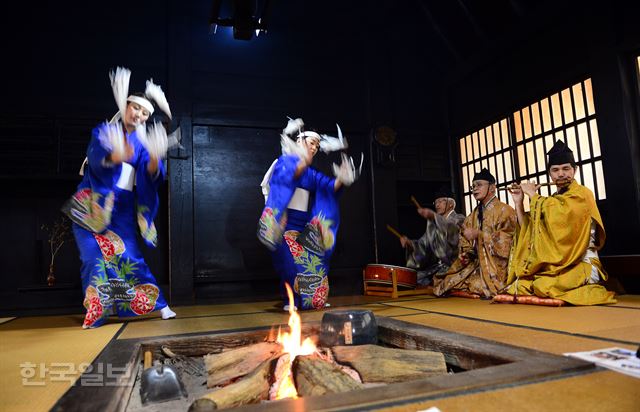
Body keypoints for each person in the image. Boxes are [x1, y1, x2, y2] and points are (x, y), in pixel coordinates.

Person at [63, 67, 176, 328]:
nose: (140, 115)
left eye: (146, 113)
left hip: (122, 209)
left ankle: (159, 305)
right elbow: (95, 159)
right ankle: (96, 312)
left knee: (129, 258)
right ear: (126, 106)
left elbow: (152, 175)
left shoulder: (143, 143)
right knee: (92, 258)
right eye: (136, 108)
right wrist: (115, 156)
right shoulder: (105, 131)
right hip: (93, 205)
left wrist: (154, 162)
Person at [258, 118, 359, 311]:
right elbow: (287, 179)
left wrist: (342, 179)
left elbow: (328, 187)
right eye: (312, 143)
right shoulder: (284, 162)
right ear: (299, 141)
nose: (315, 148)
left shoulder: (310, 172)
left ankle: (311, 300)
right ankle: (291, 301)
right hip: (283, 226)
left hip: (302, 226)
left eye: (317, 145)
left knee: (315, 262)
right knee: (289, 265)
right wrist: (302, 163)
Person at [503, 140, 616, 305]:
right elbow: (531, 229)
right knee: (520, 285)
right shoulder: (554, 201)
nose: (561, 174)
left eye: (566, 168)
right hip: (560, 264)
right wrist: (519, 202)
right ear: (550, 174)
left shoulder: (582, 194)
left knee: (544, 286)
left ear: (575, 170)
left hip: (582, 263)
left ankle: (588, 283)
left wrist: (534, 196)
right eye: (555, 170)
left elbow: (561, 215)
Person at [432, 168, 516, 298]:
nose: (475, 189)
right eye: (473, 186)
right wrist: (467, 253)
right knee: (444, 281)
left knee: (476, 284)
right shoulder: (473, 215)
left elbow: (509, 241)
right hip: (477, 262)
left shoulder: (506, 211)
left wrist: (480, 235)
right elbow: (463, 239)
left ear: (492, 188)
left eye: (479, 185)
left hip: (497, 264)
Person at [399, 186, 465, 286]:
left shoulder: (459, 219)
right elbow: (424, 243)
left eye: (440, 201)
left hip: (454, 266)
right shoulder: (434, 225)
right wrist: (410, 243)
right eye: (436, 202)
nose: (437, 205)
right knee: (413, 279)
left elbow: (451, 231)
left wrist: (433, 216)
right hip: (436, 267)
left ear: (451, 204)